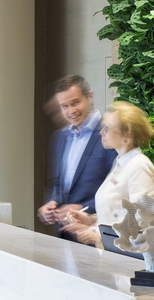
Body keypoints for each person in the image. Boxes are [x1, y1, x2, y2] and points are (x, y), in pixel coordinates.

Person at [61, 101, 154, 248]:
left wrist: (98, 235)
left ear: (127, 133)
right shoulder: (120, 163)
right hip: (109, 256)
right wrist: (91, 220)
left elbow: (143, 221)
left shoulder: (139, 165)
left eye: (107, 128)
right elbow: (117, 214)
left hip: (124, 262)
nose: (101, 132)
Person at [38, 75, 117, 241]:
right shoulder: (60, 137)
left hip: (97, 235)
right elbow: (57, 184)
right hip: (65, 235)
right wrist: (51, 204)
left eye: (75, 103)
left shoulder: (110, 132)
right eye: (64, 106)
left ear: (90, 96)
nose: (71, 111)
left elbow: (119, 192)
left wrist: (83, 208)